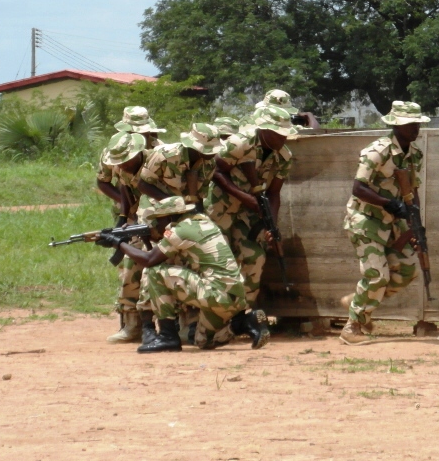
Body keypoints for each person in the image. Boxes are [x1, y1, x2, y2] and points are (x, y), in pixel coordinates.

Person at [95, 196, 266, 352]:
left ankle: (168, 336)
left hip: (216, 294)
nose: (156, 226)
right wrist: (147, 240)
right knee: (203, 341)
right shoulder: (203, 222)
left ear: (169, 218)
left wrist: (118, 244)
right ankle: (244, 323)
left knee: (155, 273)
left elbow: (149, 261)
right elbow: (164, 254)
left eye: (158, 221)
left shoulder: (179, 231)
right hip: (233, 297)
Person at [339, 101, 429, 346]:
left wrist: (416, 224)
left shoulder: (415, 154)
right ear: (396, 125)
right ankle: (352, 326)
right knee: (377, 276)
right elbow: (358, 188)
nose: (415, 128)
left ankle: (358, 303)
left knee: (407, 270)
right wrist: (389, 203)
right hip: (365, 220)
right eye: (409, 123)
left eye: (417, 123)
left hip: (393, 223)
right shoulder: (377, 150)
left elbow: (414, 190)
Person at [206, 105, 297, 316]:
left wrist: (270, 225)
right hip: (221, 209)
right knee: (216, 262)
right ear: (265, 130)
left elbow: (274, 193)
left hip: (249, 215)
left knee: (255, 256)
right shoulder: (240, 143)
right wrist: (243, 197)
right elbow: (216, 171)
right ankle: (205, 317)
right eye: (279, 134)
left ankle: (242, 314)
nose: (284, 139)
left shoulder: (284, 156)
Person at [94, 131, 150, 343]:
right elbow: (122, 192)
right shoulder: (123, 165)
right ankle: (131, 324)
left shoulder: (157, 161)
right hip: (138, 220)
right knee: (130, 265)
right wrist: (125, 221)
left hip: (162, 220)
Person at [137, 123, 222, 211]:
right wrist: (174, 205)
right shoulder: (164, 155)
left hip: (185, 208)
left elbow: (199, 197)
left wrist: (197, 215)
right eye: (210, 149)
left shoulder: (209, 164)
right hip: (155, 204)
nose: (214, 153)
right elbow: (143, 185)